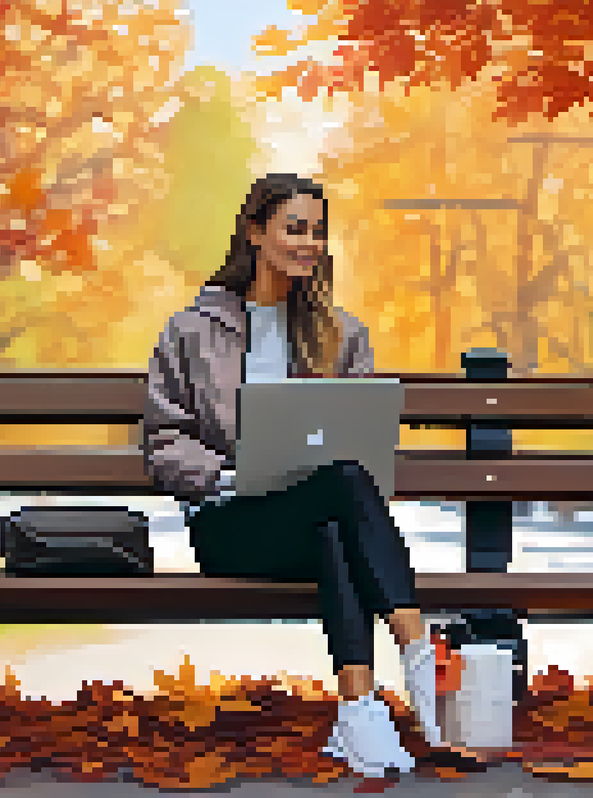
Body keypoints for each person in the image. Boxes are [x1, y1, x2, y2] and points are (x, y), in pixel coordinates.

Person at [144, 174, 481, 779]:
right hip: (231, 525)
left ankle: (358, 711)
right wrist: (228, 477)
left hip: (321, 523)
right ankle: (414, 645)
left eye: (318, 231)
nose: (309, 243)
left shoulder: (342, 333)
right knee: (342, 489)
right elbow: (164, 443)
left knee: (336, 511)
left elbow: (364, 443)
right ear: (255, 232)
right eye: (295, 228)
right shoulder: (190, 331)